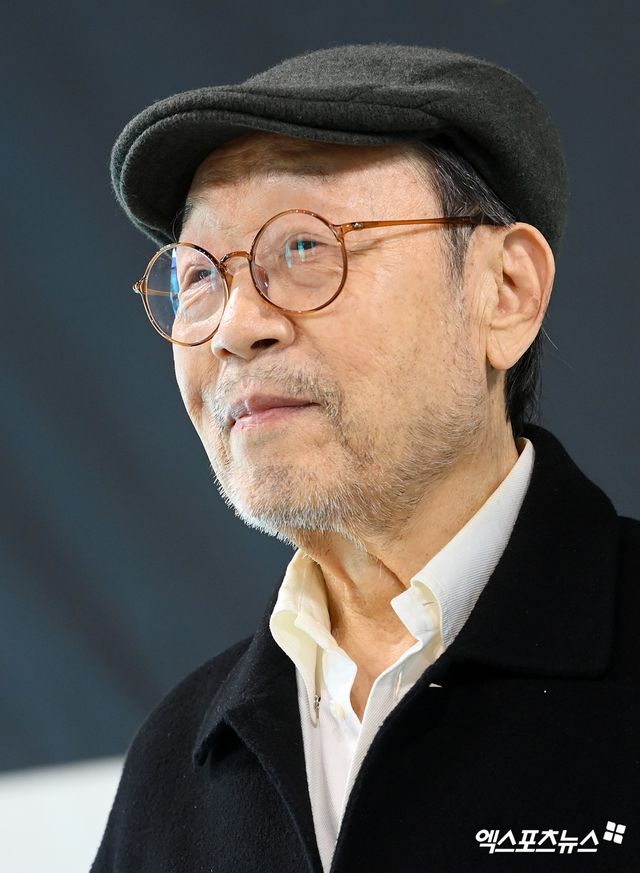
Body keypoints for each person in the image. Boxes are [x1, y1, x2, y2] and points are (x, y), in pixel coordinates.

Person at [93, 44, 639, 872]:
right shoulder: (176, 763)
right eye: (199, 275)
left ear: (506, 292)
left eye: (304, 248)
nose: (235, 326)